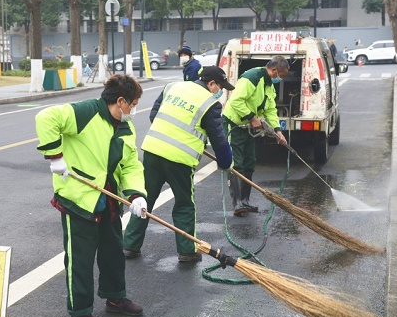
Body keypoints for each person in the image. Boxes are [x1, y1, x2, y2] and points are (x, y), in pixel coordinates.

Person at [35, 74, 148, 317]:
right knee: (80, 258)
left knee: (113, 252)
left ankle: (115, 297)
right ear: (121, 101)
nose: (134, 110)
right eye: (133, 104)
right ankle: (80, 309)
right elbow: (45, 118)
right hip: (79, 197)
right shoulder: (86, 112)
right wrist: (55, 156)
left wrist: (136, 195)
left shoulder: (125, 127)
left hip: (107, 197)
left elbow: (130, 164)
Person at [123, 66, 234, 262]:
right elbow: (218, 138)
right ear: (211, 84)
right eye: (220, 87)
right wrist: (226, 162)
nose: (220, 91)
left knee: (144, 199)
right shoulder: (210, 103)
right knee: (184, 204)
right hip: (180, 161)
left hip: (152, 151)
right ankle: (187, 251)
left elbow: (154, 114)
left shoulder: (172, 87)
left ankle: (129, 246)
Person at [222, 56, 289, 216]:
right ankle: (236, 203)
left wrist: (278, 131)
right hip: (234, 125)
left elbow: (270, 110)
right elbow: (236, 101)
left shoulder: (268, 86)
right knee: (236, 163)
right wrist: (252, 117)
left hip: (248, 129)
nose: (281, 78)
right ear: (273, 70)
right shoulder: (252, 77)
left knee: (250, 162)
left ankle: (245, 200)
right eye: (281, 75)